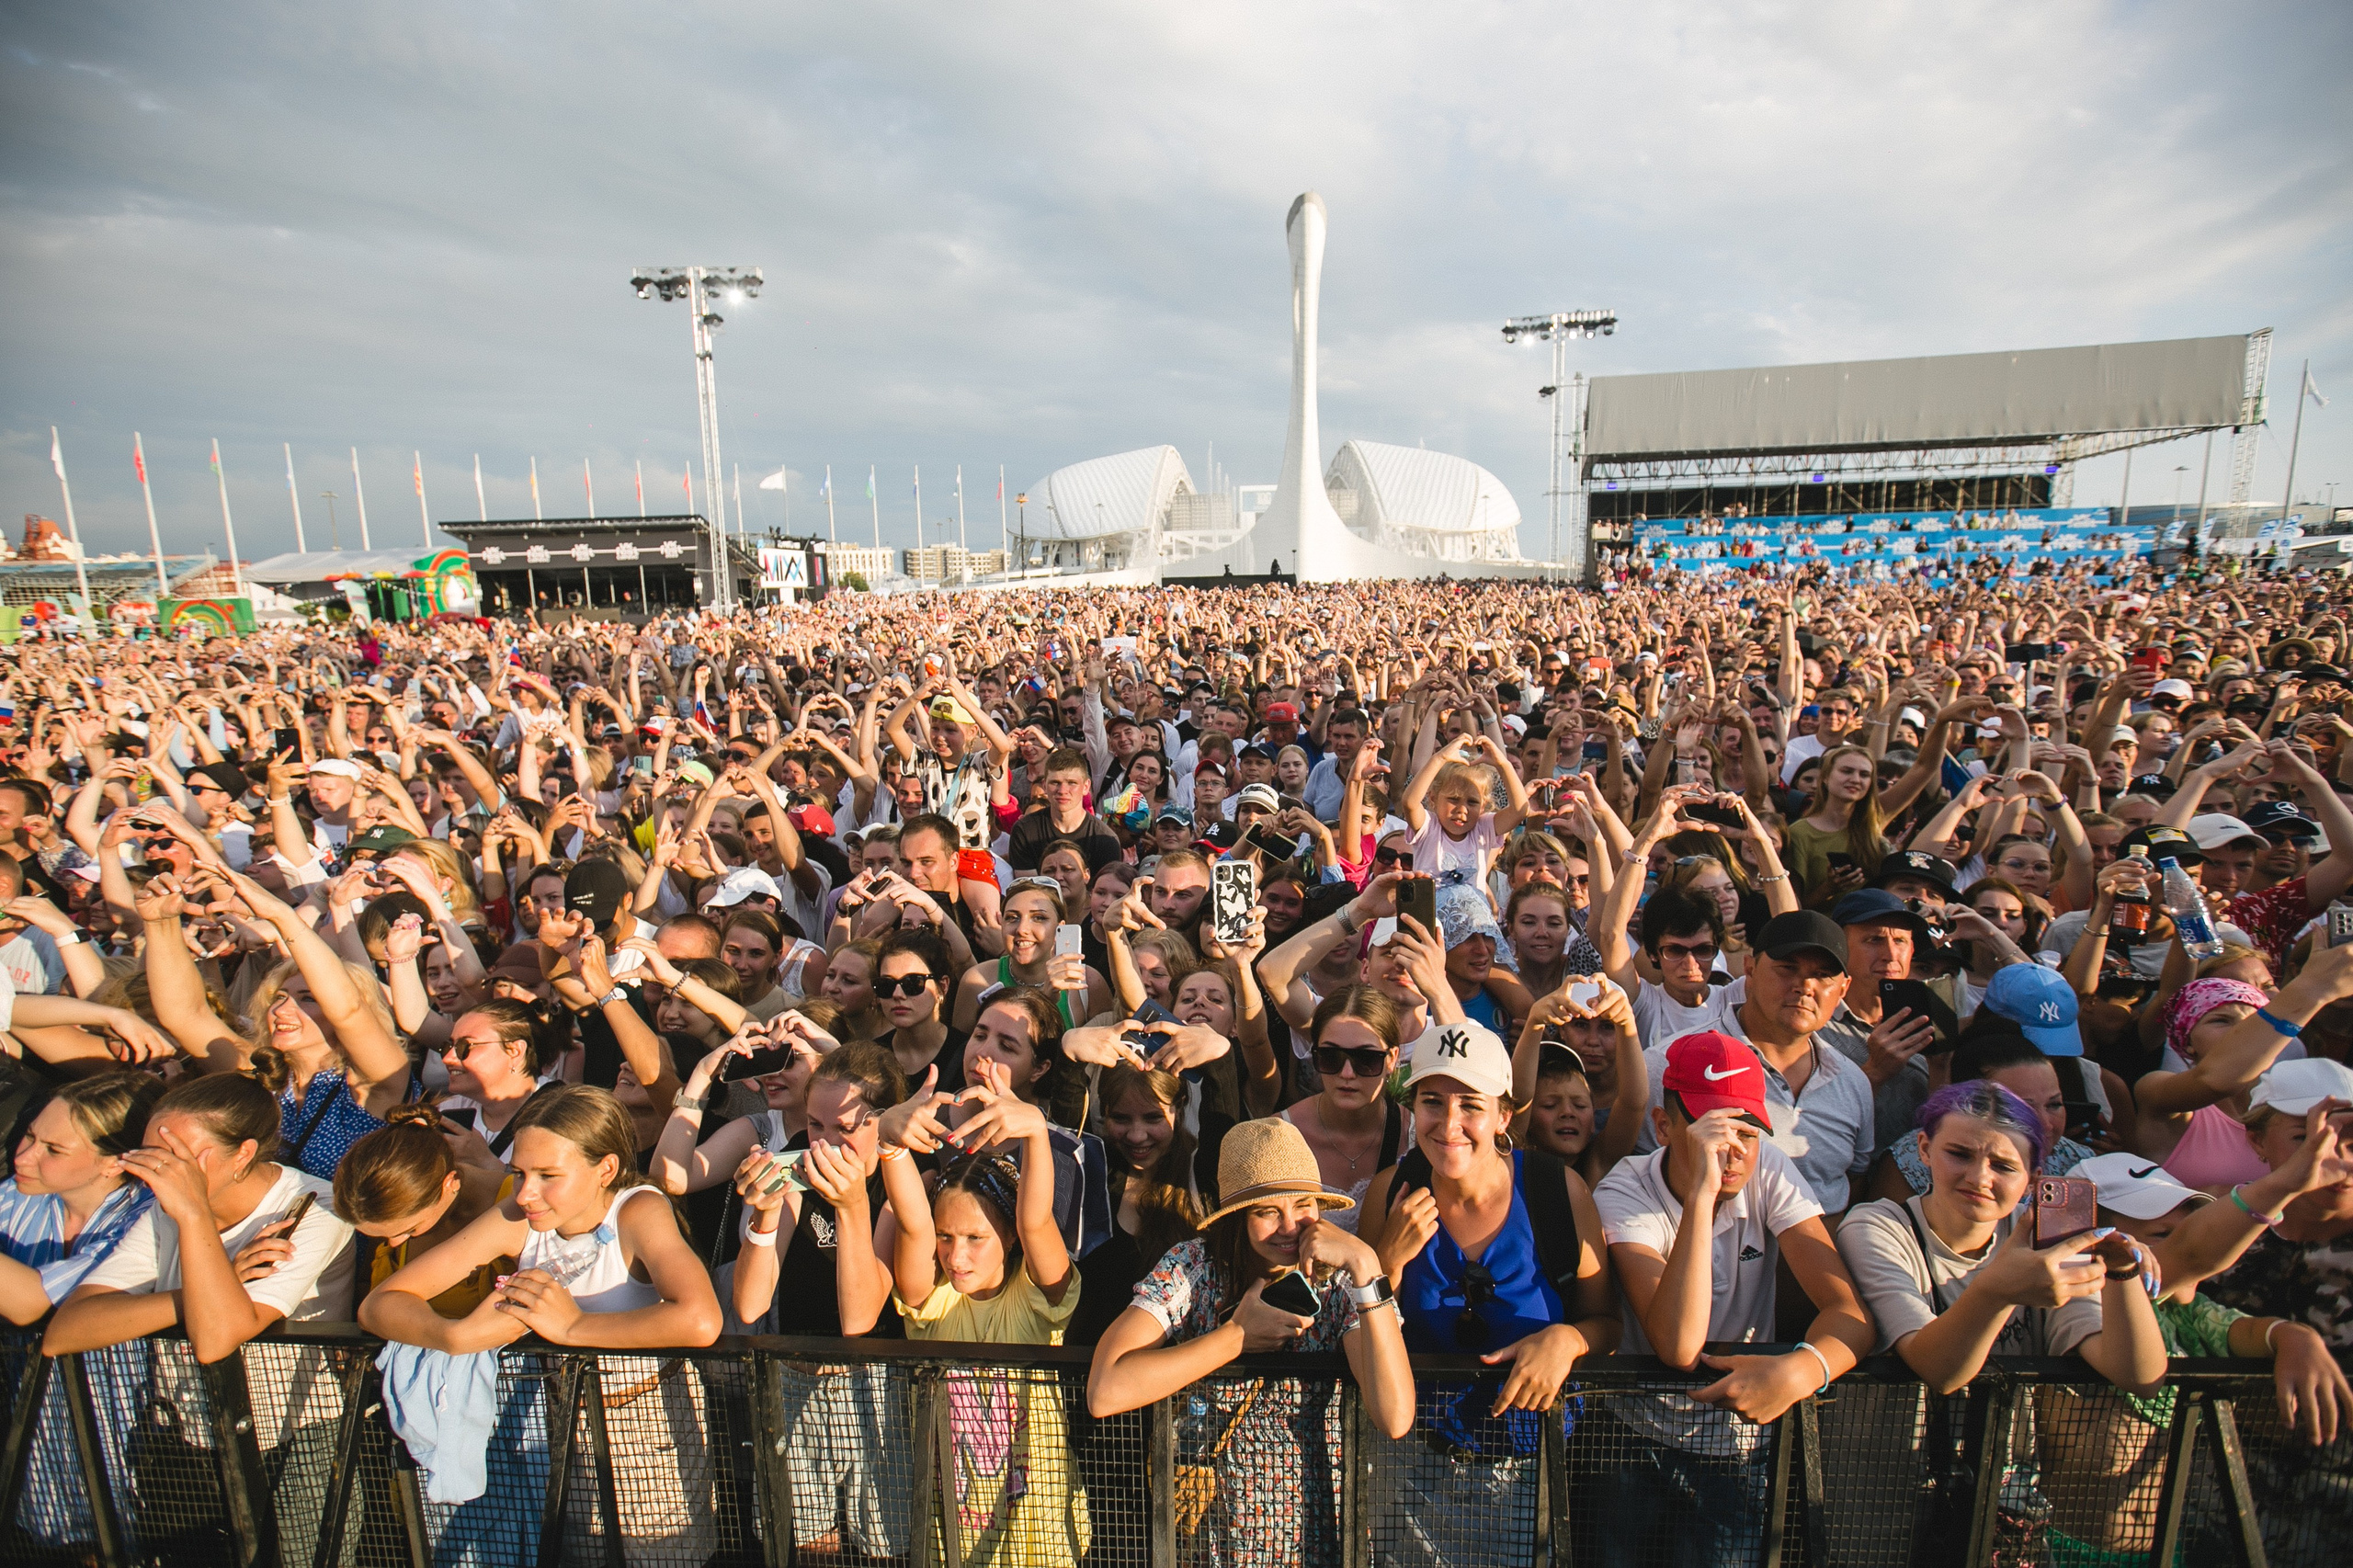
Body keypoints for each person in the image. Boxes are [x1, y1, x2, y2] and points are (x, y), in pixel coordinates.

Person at [361, 1086, 724, 1565]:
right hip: (551, 1428)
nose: (525, 1192)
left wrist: (572, 1329)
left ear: (606, 1169)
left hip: (646, 1427)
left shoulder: (638, 1209)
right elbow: (379, 1305)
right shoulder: (522, 1214)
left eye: (548, 1175)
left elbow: (700, 1320)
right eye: (518, 1173)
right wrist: (457, 1336)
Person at [46, 1073, 360, 1566]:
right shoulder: (163, 1208)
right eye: (152, 1153)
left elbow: (218, 1338)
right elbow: (67, 1331)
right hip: (187, 1440)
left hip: (291, 1439)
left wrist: (193, 1216)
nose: (161, 1171)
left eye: (178, 1156)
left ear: (243, 1154)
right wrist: (208, 1283)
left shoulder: (314, 1207)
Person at [1587, 1031, 1875, 1568]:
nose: (1734, 1149)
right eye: (1713, 1130)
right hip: (1631, 1440)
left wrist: (1799, 1373)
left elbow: (1851, 1316)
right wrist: (1700, 1197)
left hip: (1736, 1449)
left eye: (1749, 1129)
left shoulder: (1770, 1171)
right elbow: (1677, 1344)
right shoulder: (1624, 1189)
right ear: (1664, 1127)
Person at [1085, 1119, 1415, 1567]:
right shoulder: (1193, 1267)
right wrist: (1236, 1336)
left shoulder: (1339, 1283)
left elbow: (1394, 1416)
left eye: (1302, 1205)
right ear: (1237, 1216)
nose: (1289, 1226)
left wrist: (1365, 1262)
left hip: (1319, 1539)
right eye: (1266, 1211)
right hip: (1211, 1542)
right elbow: (1105, 1390)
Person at [1362, 1020, 1620, 1567]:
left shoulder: (1555, 1190)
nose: (1450, 1123)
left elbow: (1606, 1322)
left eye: (1471, 1105)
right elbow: (1357, 1330)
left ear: (1504, 1116)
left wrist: (1567, 1340)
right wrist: (1386, 1261)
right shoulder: (1392, 1191)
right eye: (1432, 1101)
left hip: (1533, 1467)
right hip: (1410, 1463)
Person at [874, 1055, 1088, 1564]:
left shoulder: (1037, 1302)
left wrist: (1036, 1132)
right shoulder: (931, 1301)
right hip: (952, 1533)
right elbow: (912, 1225)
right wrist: (889, 1144)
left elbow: (1036, 1219)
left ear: (1009, 1237)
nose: (956, 1255)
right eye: (946, 1238)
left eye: (976, 1237)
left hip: (1041, 1531)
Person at [730, 1042, 911, 1562]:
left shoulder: (900, 1182)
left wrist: (851, 1204)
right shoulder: (795, 1170)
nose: (826, 1144)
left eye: (845, 1130)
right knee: (809, 1546)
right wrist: (764, 1217)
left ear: (882, 1123)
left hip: (877, 1390)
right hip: (795, 1379)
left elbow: (860, 1316)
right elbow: (749, 1304)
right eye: (815, 1127)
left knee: (884, 1545)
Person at [0, 1073, 164, 1546]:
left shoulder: (146, 1215)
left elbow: (32, 1301)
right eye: (29, 1136)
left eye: (54, 1149)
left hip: (119, 1451)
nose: (24, 1155)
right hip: (28, 1453)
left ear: (114, 1163)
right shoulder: (17, 1196)